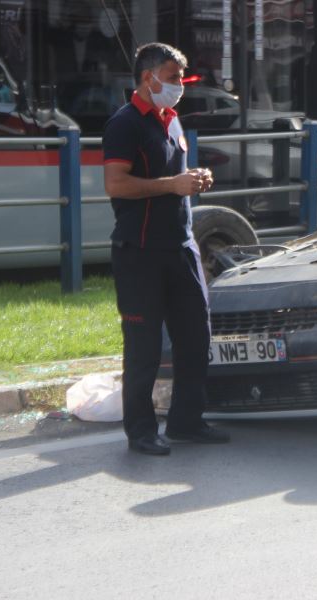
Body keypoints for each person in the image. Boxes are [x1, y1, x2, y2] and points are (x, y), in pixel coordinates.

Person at [102, 42, 231, 455]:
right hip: (140, 252)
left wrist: (195, 177)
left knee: (196, 337)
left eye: (181, 78)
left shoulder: (170, 120)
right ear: (148, 78)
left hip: (181, 246)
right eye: (174, 78)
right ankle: (140, 430)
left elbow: (174, 178)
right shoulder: (124, 124)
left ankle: (186, 422)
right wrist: (172, 186)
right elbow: (116, 184)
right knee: (143, 348)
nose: (180, 86)